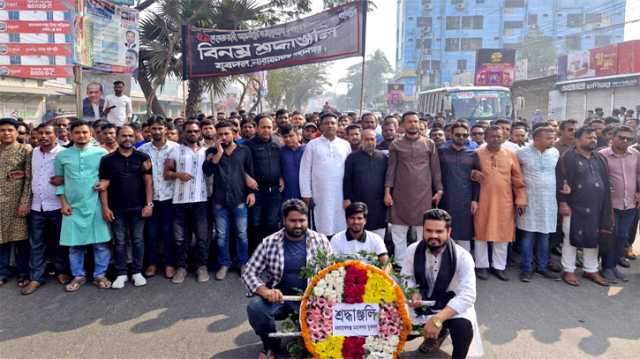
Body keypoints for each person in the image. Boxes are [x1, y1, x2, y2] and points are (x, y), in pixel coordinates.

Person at [243, 199, 333, 359]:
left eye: (302, 220)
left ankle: (309, 339)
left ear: (307, 220)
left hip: (310, 301)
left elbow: (332, 274)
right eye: (293, 221)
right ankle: (270, 346)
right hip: (279, 299)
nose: (298, 225)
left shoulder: (321, 241)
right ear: (283, 220)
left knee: (312, 349)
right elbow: (249, 272)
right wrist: (265, 291)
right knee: (255, 308)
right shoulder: (269, 242)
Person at [402, 209, 482, 358]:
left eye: (439, 231)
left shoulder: (463, 257)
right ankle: (432, 337)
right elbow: (406, 277)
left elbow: (468, 295)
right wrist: (414, 291)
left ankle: (444, 338)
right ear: (423, 230)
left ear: (449, 231)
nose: (433, 236)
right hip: (420, 306)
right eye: (429, 231)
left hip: (449, 307)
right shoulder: (412, 250)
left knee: (463, 328)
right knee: (391, 326)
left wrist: (438, 319)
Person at [54, 120, 112, 292]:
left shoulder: (101, 153)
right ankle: (78, 275)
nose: (81, 135)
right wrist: (63, 203)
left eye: (85, 132)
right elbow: (59, 181)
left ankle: (100, 275)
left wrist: (105, 195)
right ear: (71, 135)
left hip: (95, 204)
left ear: (91, 134)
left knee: (100, 244)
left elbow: (107, 178)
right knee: (75, 245)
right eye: (77, 132)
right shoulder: (62, 156)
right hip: (72, 207)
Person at [557, 126, 612, 287]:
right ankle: (568, 270)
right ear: (577, 139)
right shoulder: (567, 157)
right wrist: (563, 202)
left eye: (594, 137)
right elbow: (561, 182)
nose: (593, 140)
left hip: (597, 206)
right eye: (588, 137)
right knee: (570, 238)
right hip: (574, 206)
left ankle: (591, 269)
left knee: (593, 237)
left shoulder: (599, 158)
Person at [99, 125, 153, 289]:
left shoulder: (142, 157)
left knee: (137, 240)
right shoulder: (107, 160)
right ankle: (121, 273)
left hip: (138, 207)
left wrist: (149, 204)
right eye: (124, 136)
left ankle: (137, 272)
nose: (127, 138)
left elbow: (148, 182)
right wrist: (105, 208)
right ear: (117, 137)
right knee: (120, 241)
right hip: (116, 208)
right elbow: (103, 185)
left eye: (130, 135)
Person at [385, 112, 443, 267]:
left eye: (415, 121)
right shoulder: (396, 144)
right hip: (400, 194)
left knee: (422, 230)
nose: (413, 124)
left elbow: (435, 169)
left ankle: (420, 262)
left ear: (419, 124)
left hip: (423, 194)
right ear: (403, 125)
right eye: (409, 121)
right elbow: (391, 170)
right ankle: (400, 264)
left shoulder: (429, 144)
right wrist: (387, 192)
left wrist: (439, 190)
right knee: (399, 232)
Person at [472, 126, 526, 281]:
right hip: (482, 199)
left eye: (498, 136)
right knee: (480, 233)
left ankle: (499, 267)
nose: (495, 139)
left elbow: (517, 179)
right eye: (492, 136)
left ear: (504, 138)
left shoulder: (510, 155)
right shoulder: (477, 153)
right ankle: (482, 266)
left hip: (504, 200)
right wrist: (473, 173)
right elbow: (468, 172)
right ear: (486, 137)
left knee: (502, 235)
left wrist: (521, 199)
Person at [203, 120, 254, 280]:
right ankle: (224, 264)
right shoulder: (211, 151)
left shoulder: (244, 150)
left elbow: (250, 172)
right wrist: (218, 151)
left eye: (226, 134)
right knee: (221, 235)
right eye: (220, 135)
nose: (223, 137)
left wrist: (251, 192)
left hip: (239, 199)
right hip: (219, 201)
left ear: (233, 133)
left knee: (241, 234)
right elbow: (208, 170)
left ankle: (243, 263)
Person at [22, 124, 68, 295]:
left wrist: (63, 178)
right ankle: (36, 278)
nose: (43, 136)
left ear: (56, 135)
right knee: (37, 244)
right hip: (37, 206)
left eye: (48, 133)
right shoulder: (33, 152)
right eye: (40, 133)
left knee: (59, 242)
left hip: (57, 205)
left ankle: (61, 271)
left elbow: (72, 176)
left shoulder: (64, 153)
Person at [164, 120, 210, 284]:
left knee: (202, 237)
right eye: (189, 131)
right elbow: (166, 173)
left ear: (200, 133)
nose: (192, 134)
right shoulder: (175, 151)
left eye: (195, 131)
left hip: (201, 200)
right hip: (180, 201)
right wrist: (178, 175)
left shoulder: (206, 151)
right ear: (183, 133)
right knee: (180, 238)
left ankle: (201, 267)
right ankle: (181, 267)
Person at [516, 126, 560, 282]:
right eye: (548, 138)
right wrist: (520, 197)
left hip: (548, 202)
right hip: (529, 201)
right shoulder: (521, 153)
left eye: (553, 137)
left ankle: (542, 267)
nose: (552, 140)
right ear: (536, 139)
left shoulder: (554, 153)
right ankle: (527, 268)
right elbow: (516, 176)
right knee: (528, 235)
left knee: (544, 235)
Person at [598, 126, 640, 283]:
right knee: (610, 237)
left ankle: (614, 266)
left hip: (629, 204)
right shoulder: (602, 155)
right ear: (613, 138)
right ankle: (606, 268)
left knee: (623, 237)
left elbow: (638, 175)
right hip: (610, 205)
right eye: (621, 137)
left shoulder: (635, 155)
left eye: (628, 139)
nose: (624, 141)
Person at [139, 117, 179, 278]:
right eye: (153, 128)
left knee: (169, 232)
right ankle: (152, 264)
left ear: (166, 129)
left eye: (160, 128)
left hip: (171, 197)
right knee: (151, 233)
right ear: (149, 130)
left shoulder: (176, 148)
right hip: (150, 198)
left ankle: (170, 264)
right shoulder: (143, 150)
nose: (156, 131)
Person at [299, 112, 351, 236]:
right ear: (321, 126)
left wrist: (349, 195)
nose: (330, 126)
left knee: (340, 226)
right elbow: (305, 171)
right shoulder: (312, 145)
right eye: (326, 123)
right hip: (319, 194)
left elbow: (350, 172)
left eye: (333, 123)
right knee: (321, 226)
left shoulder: (345, 145)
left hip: (340, 193)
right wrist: (306, 194)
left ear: (337, 126)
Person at [0, 118, 32, 287]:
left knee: (20, 240)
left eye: (9, 130)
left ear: (15, 132)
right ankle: (2, 272)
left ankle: (23, 273)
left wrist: (24, 202)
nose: (6, 133)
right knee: (1, 240)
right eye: (2, 130)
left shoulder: (24, 149)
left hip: (17, 203)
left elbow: (28, 178)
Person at [343, 128, 388, 238]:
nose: (370, 142)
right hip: (358, 201)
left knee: (378, 234)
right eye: (366, 139)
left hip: (379, 204)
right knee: (358, 229)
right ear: (361, 140)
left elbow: (387, 178)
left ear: (376, 141)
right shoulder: (352, 158)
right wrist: (347, 198)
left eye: (372, 139)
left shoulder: (383, 157)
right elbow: (347, 179)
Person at [438, 122, 475, 252]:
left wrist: (475, 199)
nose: (461, 137)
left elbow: (476, 180)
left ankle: (464, 266)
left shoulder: (473, 154)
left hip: (465, 200)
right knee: (446, 231)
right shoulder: (442, 152)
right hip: (446, 199)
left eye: (465, 135)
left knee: (464, 235)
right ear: (451, 135)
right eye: (458, 134)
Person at [246, 115, 282, 246]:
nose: (266, 130)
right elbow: (240, 166)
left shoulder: (277, 144)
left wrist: (281, 176)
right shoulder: (248, 146)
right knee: (255, 224)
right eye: (263, 127)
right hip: (256, 192)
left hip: (274, 192)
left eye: (269, 127)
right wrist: (246, 177)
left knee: (272, 224)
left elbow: (281, 163)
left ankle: (270, 254)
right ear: (256, 128)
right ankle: (256, 255)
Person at [279, 123, 304, 202]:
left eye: (291, 136)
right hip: (286, 192)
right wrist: (280, 178)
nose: (288, 139)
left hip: (303, 193)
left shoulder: (306, 150)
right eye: (285, 137)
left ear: (298, 135)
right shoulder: (280, 151)